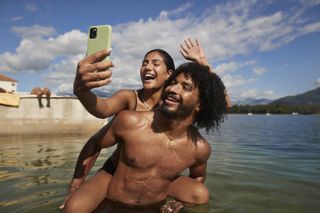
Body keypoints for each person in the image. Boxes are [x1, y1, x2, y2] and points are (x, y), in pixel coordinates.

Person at [61, 39, 231, 211]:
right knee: (74, 207)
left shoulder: (179, 110)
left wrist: (203, 63)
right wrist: (82, 91)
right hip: (118, 169)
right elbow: (102, 109)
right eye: (144, 63)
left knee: (199, 193)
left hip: (160, 174)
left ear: (168, 73)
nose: (148, 67)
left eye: (155, 64)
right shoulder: (131, 107)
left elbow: (219, 103)